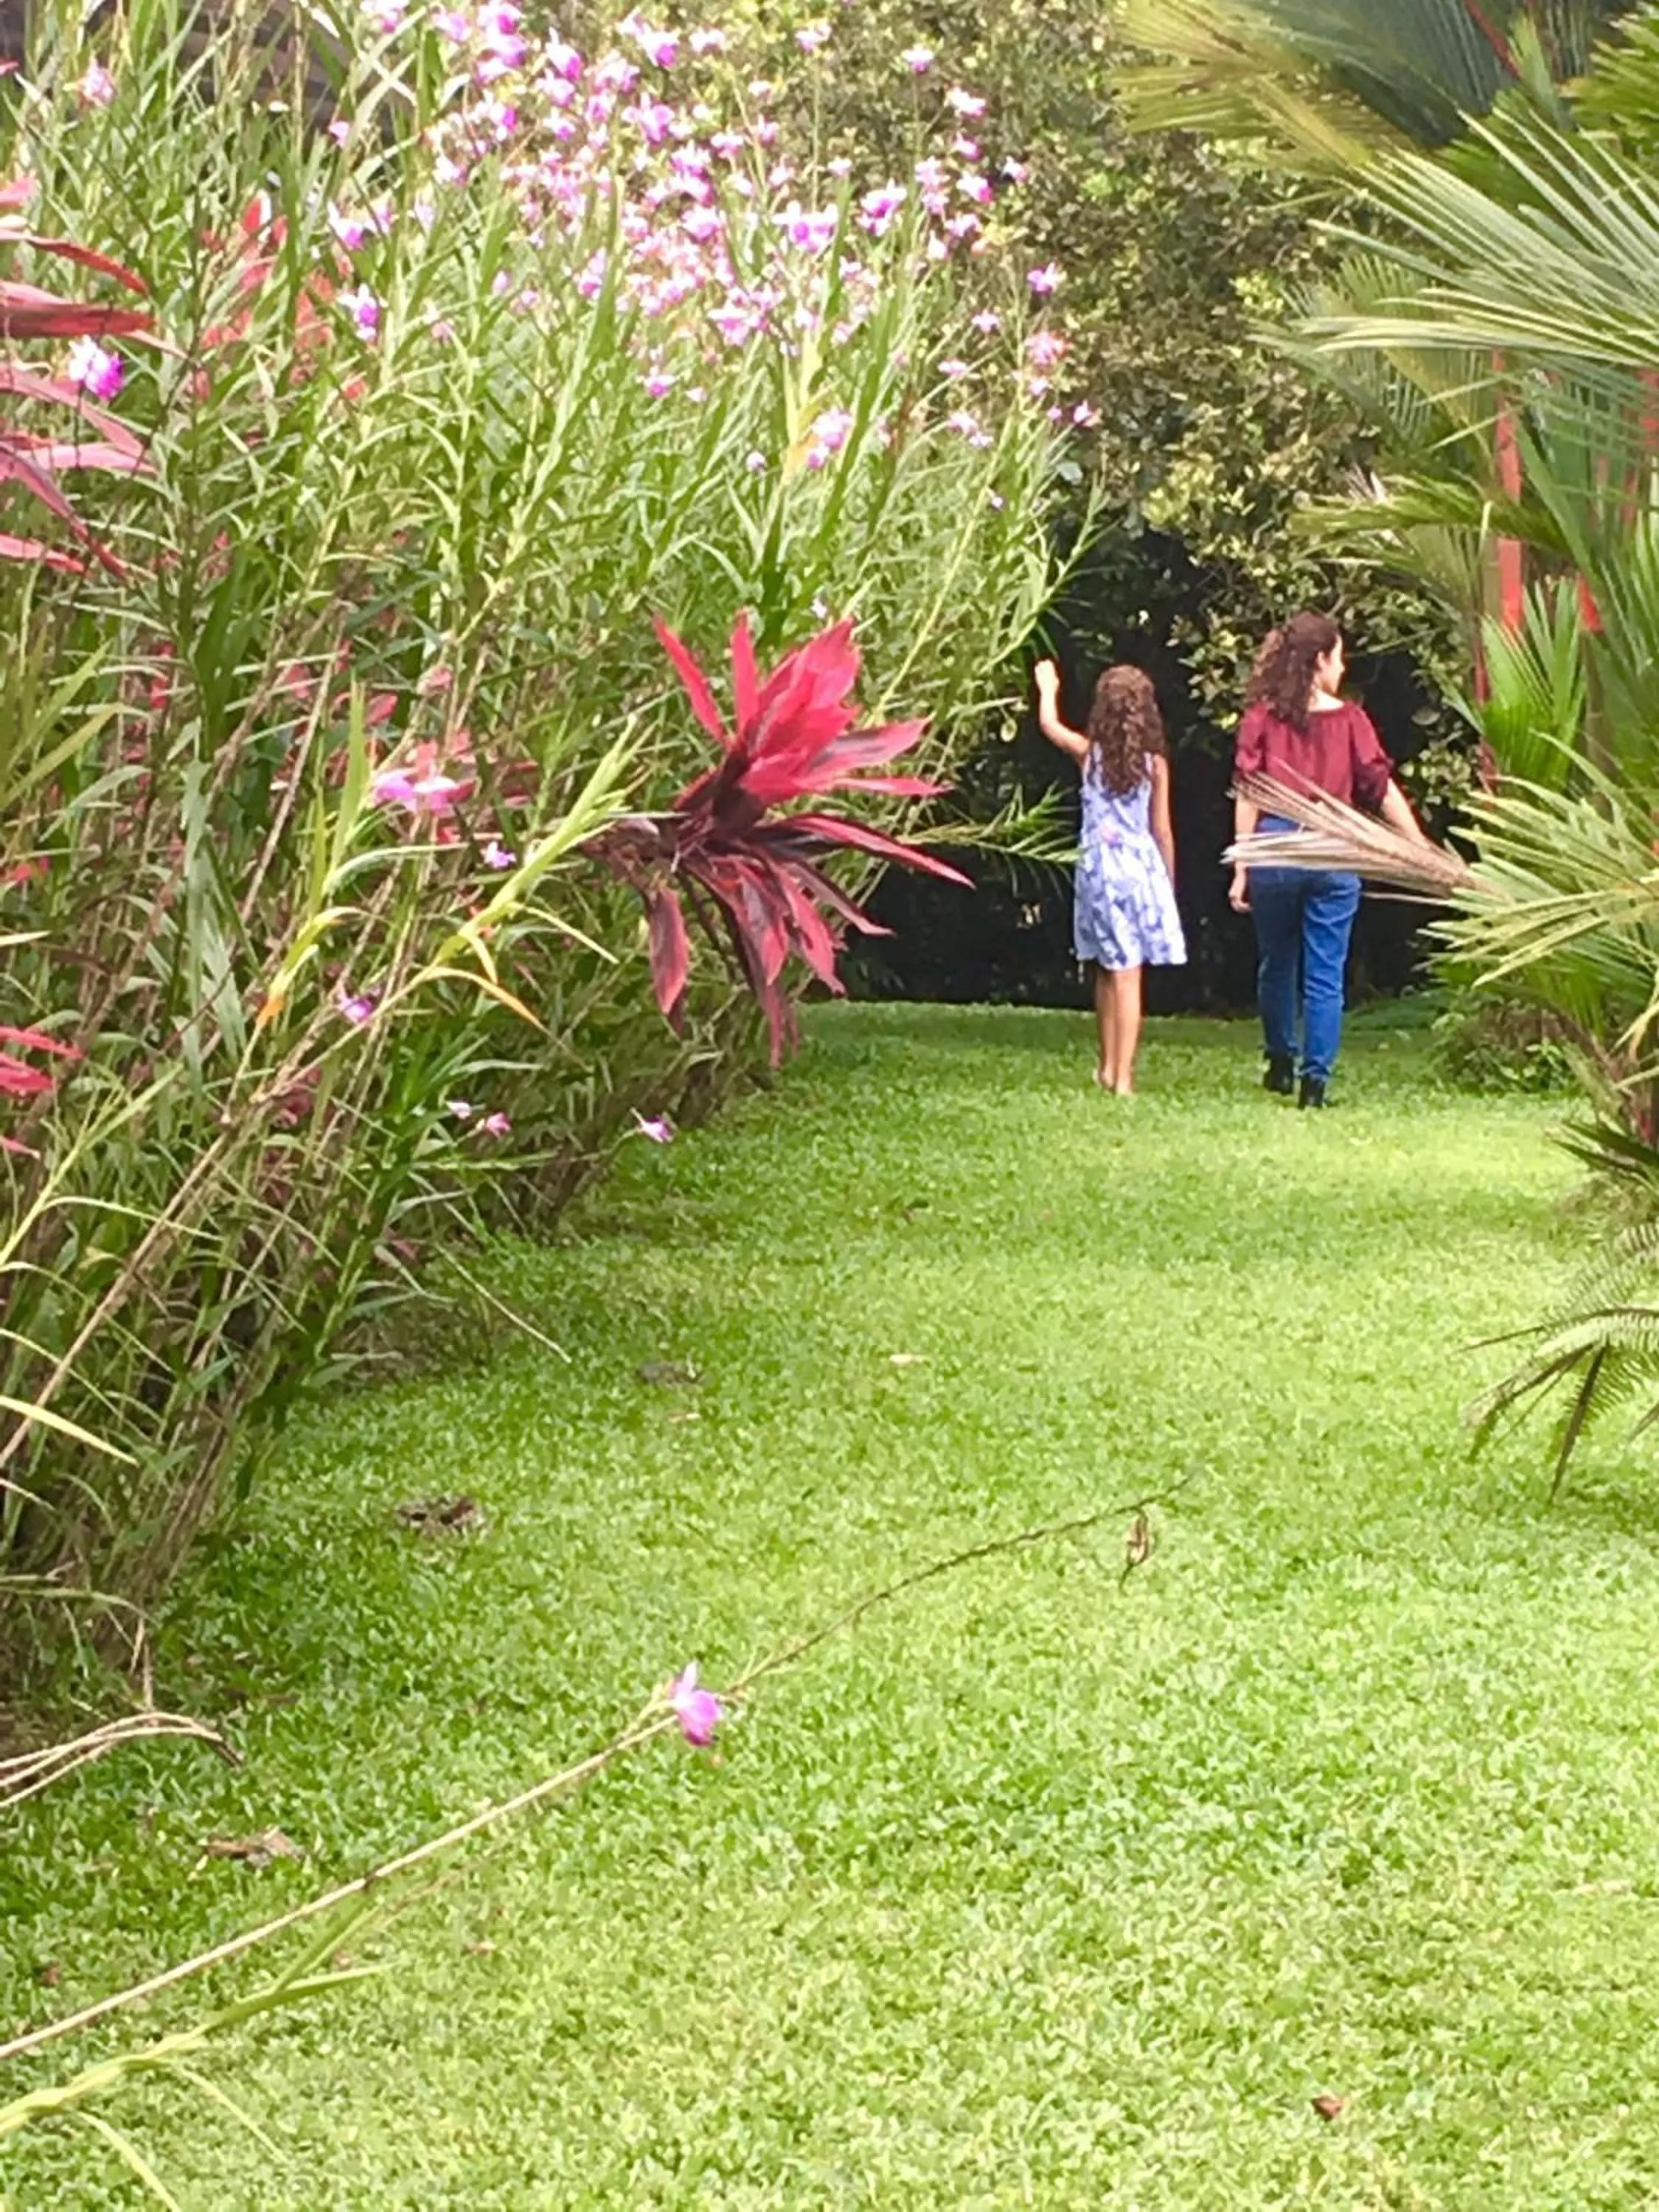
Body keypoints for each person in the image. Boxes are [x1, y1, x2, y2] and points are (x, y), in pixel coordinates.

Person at [1230, 612, 1426, 1110]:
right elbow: (1380, 791)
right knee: (1326, 972)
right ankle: (1314, 1083)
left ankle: (1279, 1059)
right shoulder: (1351, 721)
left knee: (1277, 961)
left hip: (1275, 848)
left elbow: (1249, 792)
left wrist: (1242, 865)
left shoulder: (1262, 718)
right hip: (1334, 849)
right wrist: (1418, 844)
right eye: (1339, 658)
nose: (1342, 669)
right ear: (1320, 661)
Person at [1034, 657, 1186, 1096]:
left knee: (1106, 967)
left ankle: (1106, 1067)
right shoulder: (1155, 765)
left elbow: (1049, 725)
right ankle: (1123, 1077)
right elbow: (1162, 829)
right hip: (1138, 870)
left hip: (1097, 870)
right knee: (1128, 974)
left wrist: (1048, 686)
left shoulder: (1089, 757)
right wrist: (1169, 883)